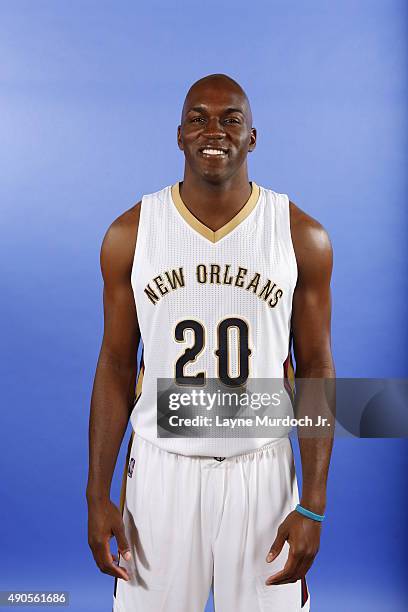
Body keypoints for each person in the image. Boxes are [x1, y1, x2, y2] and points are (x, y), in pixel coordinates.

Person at [86, 73, 335, 611]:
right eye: (198, 118)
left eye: (231, 119)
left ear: (253, 137)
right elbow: (113, 365)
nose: (213, 130)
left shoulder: (300, 235)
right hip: (161, 470)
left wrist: (313, 503)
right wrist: (96, 493)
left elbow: (315, 366)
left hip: (261, 470)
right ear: (179, 135)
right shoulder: (132, 233)